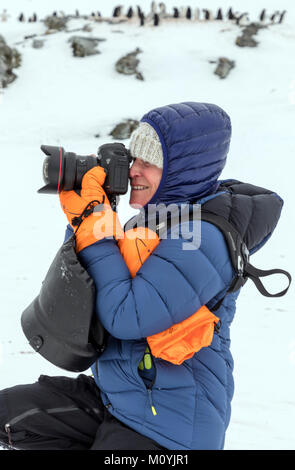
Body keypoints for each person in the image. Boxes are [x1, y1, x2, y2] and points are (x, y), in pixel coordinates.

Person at [0, 102, 286, 450]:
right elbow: (83, 288)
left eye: (148, 164)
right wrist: (86, 215)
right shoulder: (151, 223)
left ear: (183, 171)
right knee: (9, 416)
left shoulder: (202, 238)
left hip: (167, 426)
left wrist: (95, 220)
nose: (134, 171)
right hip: (119, 399)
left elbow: (129, 316)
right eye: (134, 159)